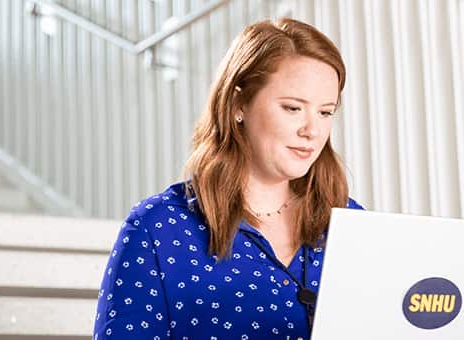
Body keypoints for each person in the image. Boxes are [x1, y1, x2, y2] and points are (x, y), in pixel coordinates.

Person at [93, 18, 363, 340]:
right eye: (292, 108)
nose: (312, 131)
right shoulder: (157, 230)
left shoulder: (352, 224)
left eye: (325, 112)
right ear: (238, 104)